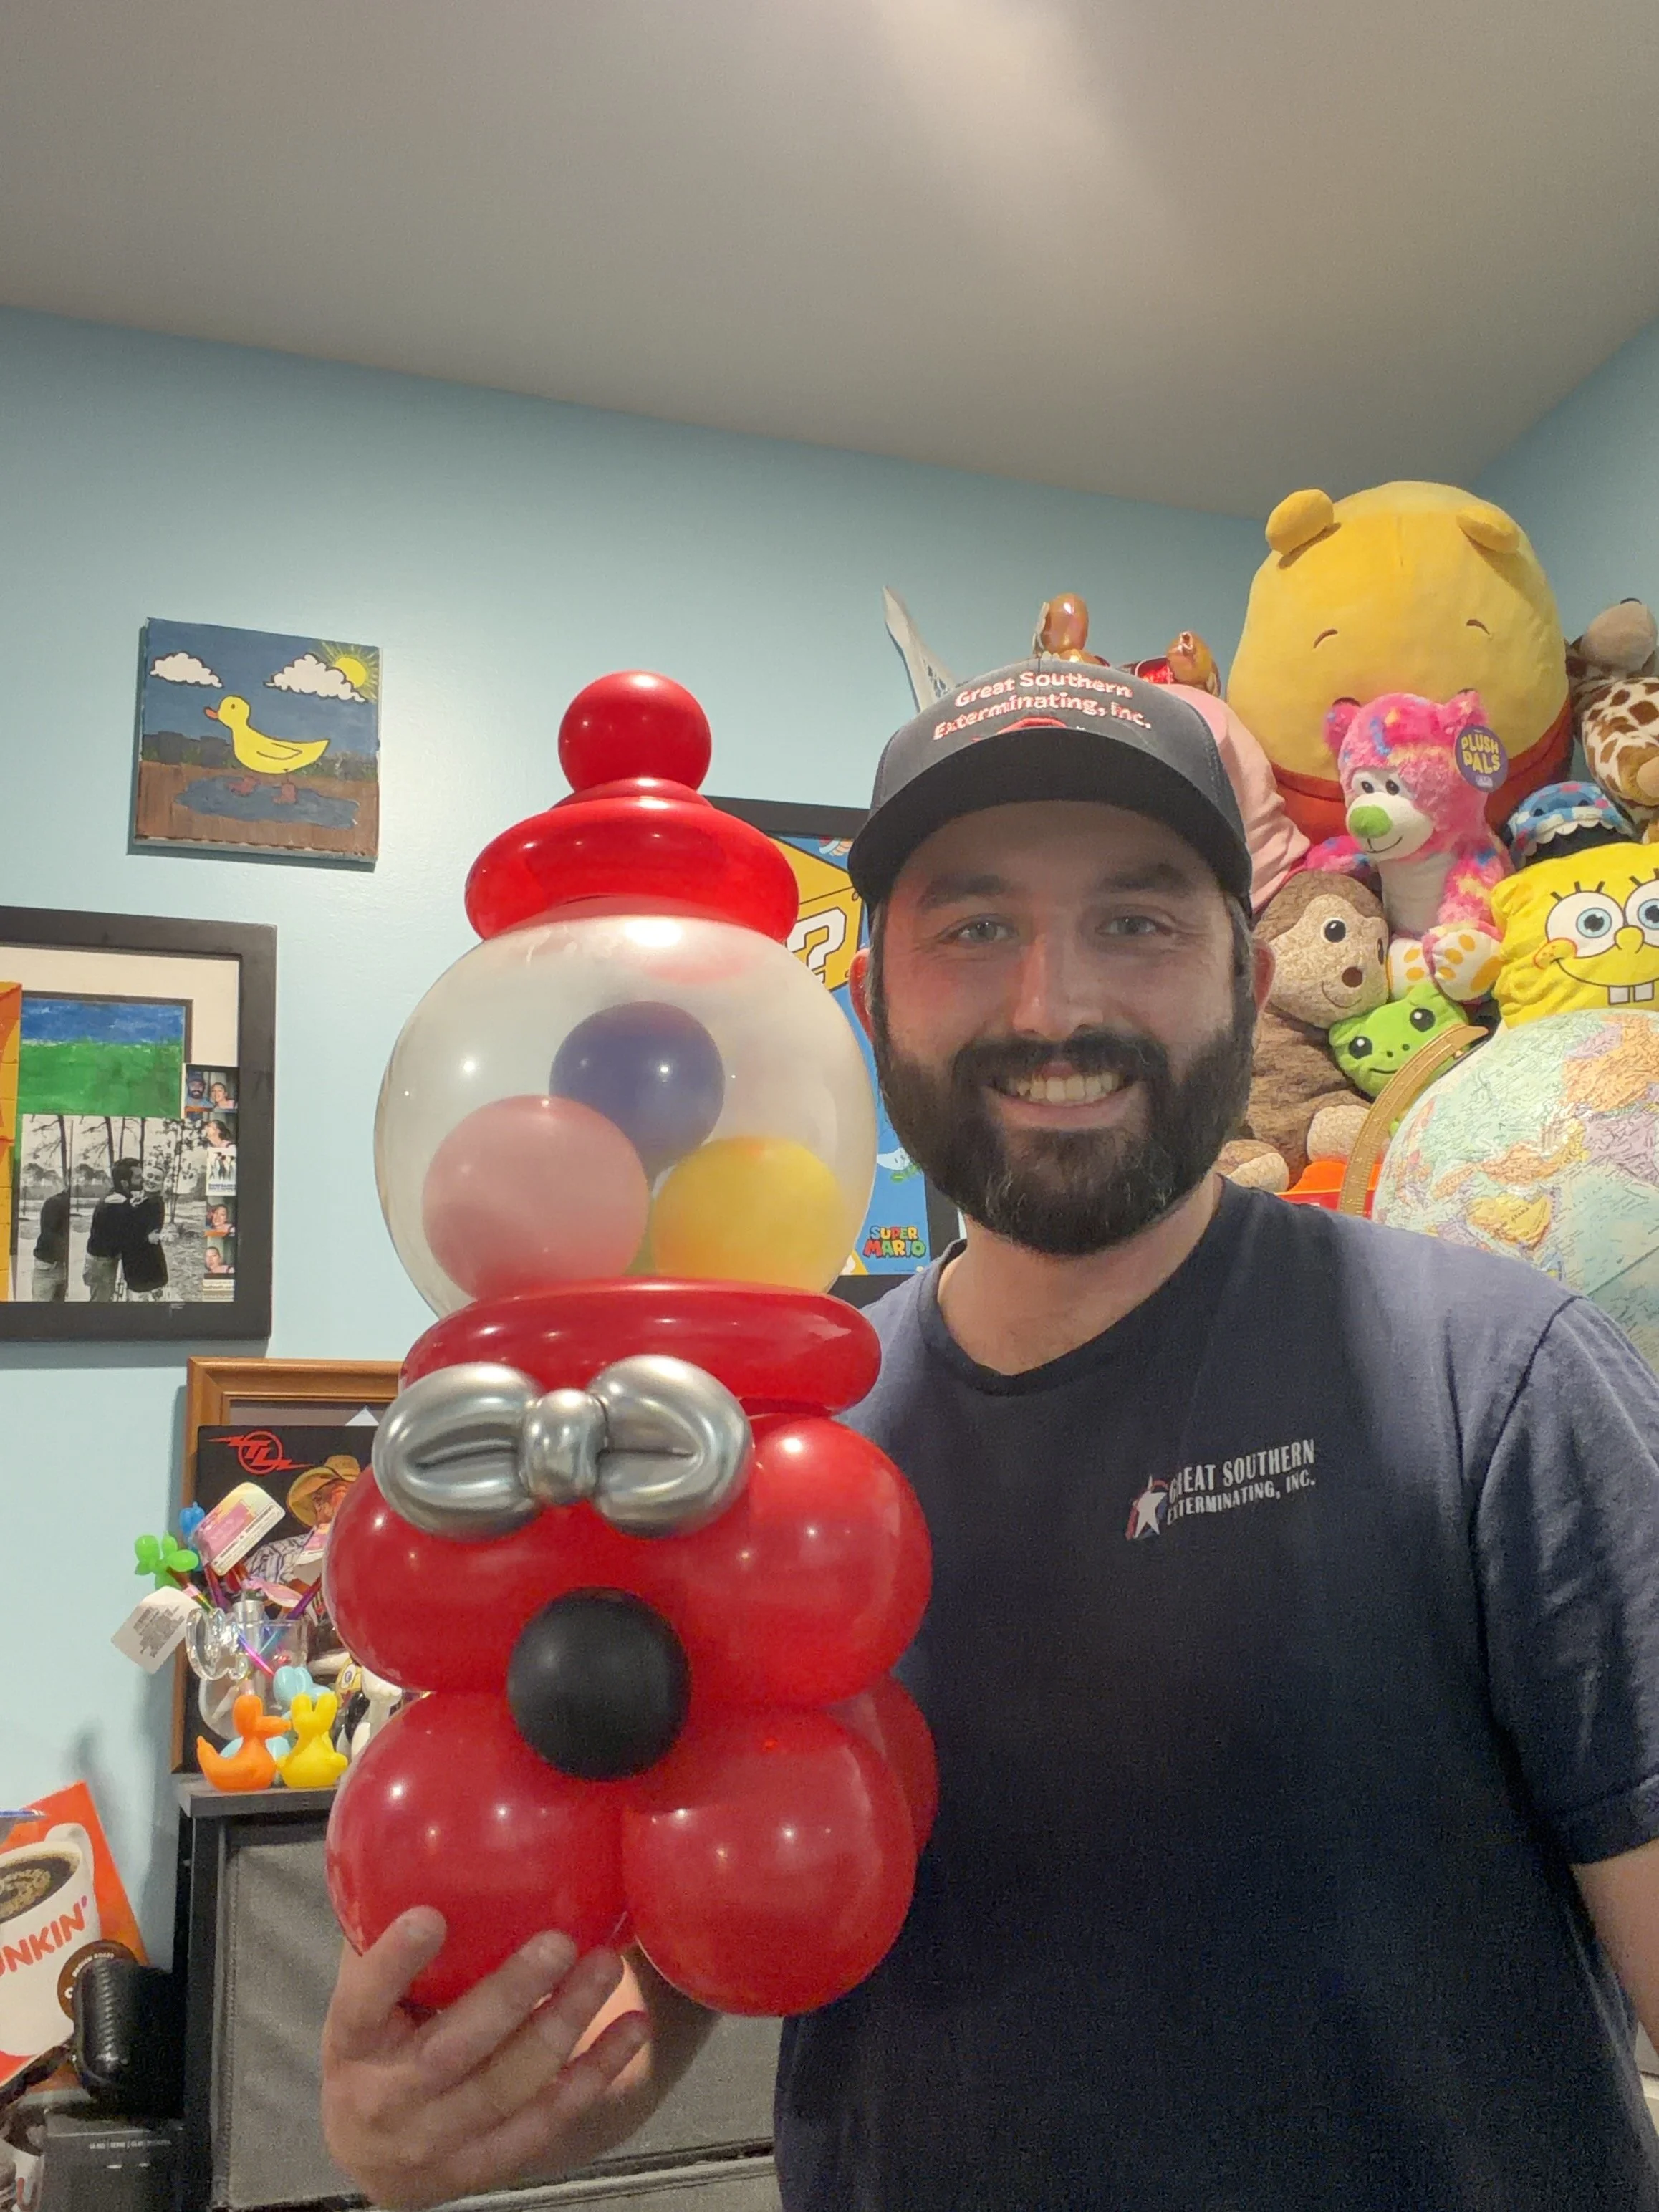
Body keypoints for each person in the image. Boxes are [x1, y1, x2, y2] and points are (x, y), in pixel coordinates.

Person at [322, 659, 1659, 2211]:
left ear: (1249, 968)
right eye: (973, 926)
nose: (1053, 1004)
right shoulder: (749, 1457)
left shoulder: (1494, 1378)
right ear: (874, 992)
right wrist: (450, 2101)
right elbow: (682, 1922)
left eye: (1138, 918)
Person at [83, 1158, 138, 1301]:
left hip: (104, 1260)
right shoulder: (116, 1203)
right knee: (100, 1305)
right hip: (102, 1263)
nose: (142, 1181)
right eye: (138, 1177)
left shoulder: (119, 1197)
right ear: (125, 1183)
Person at [120, 1160, 169, 1301]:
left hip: (145, 1265)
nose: (152, 1181)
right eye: (150, 1176)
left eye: (157, 1179)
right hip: (139, 1262)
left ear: (162, 1184)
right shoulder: (141, 1201)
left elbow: (143, 1236)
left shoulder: (155, 1204)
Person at [30, 1181, 69, 1302]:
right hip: (50, 1264)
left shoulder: (55, 1202)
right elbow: (50, 1235)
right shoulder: (56, 1204)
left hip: (53, 1264)